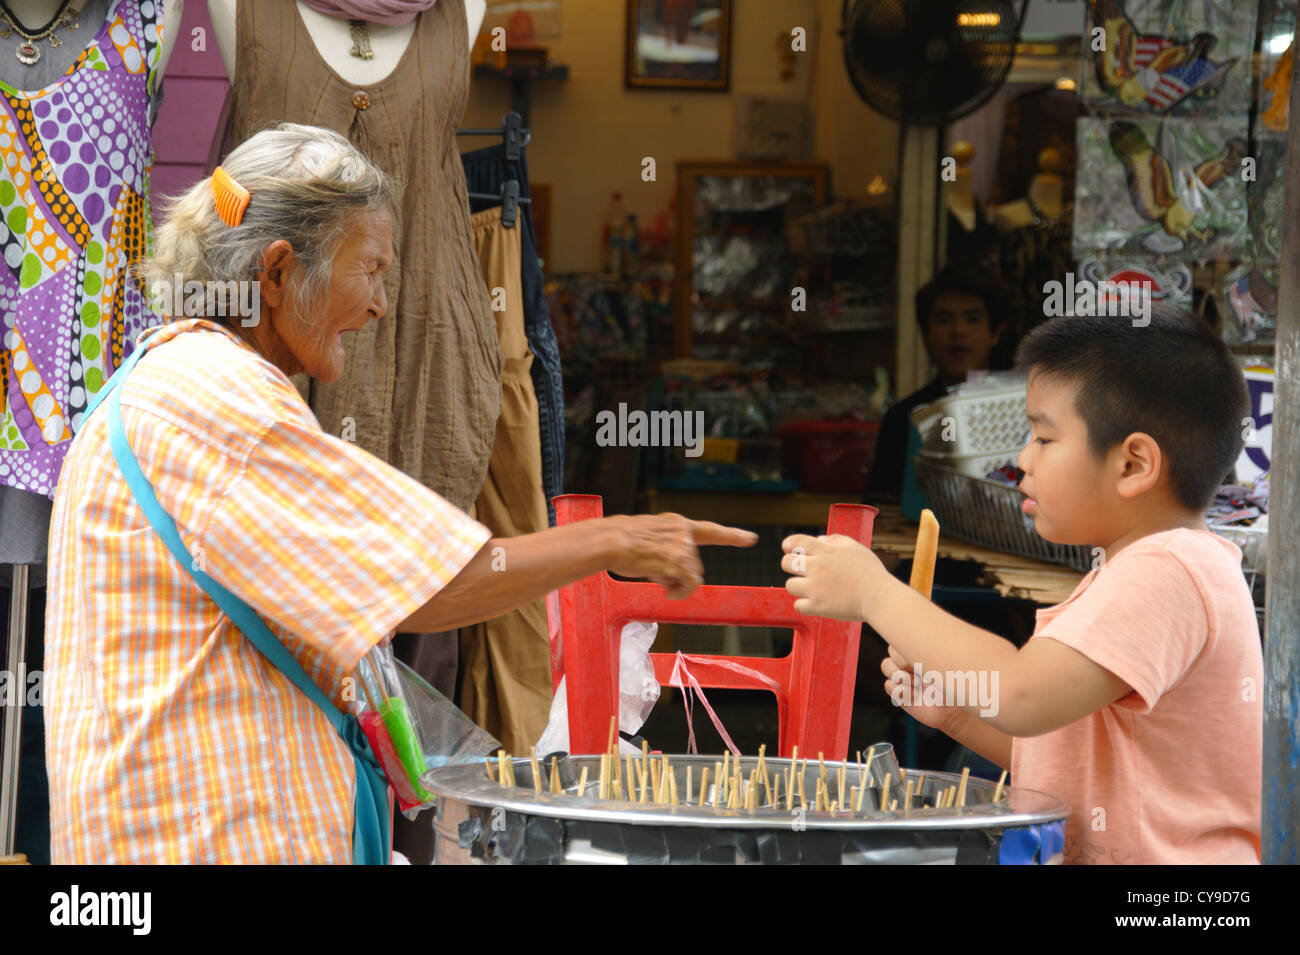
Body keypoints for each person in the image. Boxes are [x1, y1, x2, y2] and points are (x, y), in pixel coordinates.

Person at [42, 124, 757, 864]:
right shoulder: (227, 404)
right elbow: (438, 584)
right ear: (280, 273)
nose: (382, 304)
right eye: (373, 270)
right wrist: (615, 540)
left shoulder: (171, 378)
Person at [786, 305, 1262, 864]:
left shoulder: (1168, 569)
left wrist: (873, 592)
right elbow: (1062, 743)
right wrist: (959, 712)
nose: (1022, 460)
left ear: (1133, 465)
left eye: (1043, 438)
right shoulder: (1144, 566)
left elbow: (1022, 694)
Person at [864, 265, 1011, 501]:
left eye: (972, 320)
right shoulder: (904, 419)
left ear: (995, 333)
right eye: (944, 320)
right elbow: (881, 503)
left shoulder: (1020, 412)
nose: (958, 331)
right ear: (924, 336)